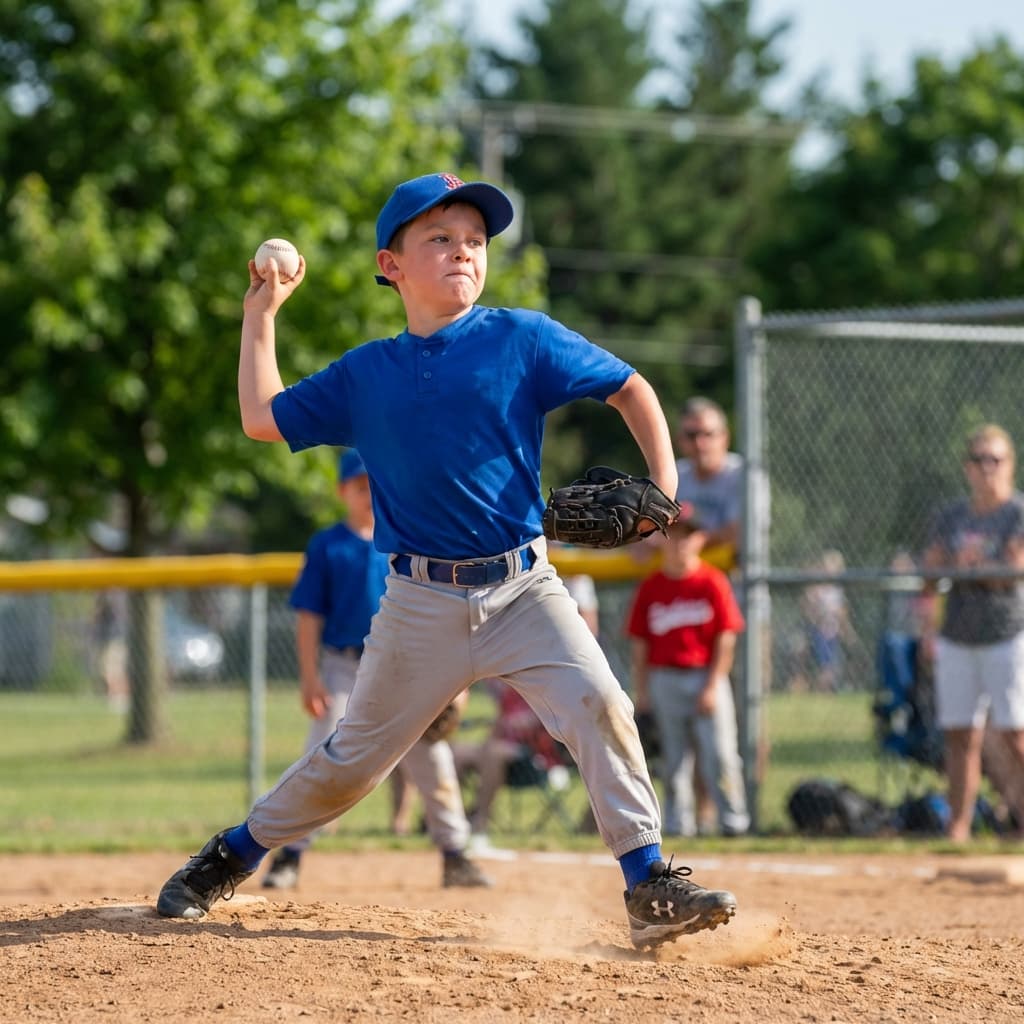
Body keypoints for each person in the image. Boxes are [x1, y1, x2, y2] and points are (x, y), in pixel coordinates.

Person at [156, 171, 736, 949]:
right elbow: (262, 417)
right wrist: (260, 314)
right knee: (351, 765)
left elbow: (631, 387)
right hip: (418, 603)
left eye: (474, 240)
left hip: (525, 587)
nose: (463, 251)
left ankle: (648, 881)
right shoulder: (367, 374)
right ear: (390, 265)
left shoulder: (521, 338)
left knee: (601, 704)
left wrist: (662, 489)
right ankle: (232, 853)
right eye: (439, 238)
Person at [260, 449, 491, 890]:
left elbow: (445, 615)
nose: (369, 494)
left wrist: (454, 685)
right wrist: (309, 677)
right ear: (341, 491)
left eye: (376, 484)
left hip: (407, 668)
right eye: (359, 486)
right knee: (323, 751)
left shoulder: (408, 539)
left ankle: (455, 853)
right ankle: (288, 853)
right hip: (343, 667)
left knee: (432, 754)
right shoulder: (329, 544)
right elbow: (309, 616)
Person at [921, 424, 1024, 841]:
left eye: (996, 460)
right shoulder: (951, 516)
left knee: (1015, 735)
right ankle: (958, 827)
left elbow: (1011, 573)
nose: (987, 469)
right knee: (960, 735)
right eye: (979, 460)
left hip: (1007, 634)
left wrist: (969, 566)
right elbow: (930, 574)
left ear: (1010, 465)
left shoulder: (1017, 513)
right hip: (958, 635)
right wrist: (971, 567)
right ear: (967, 467)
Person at [626, 505, 750, 838]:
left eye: (689, 535)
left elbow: (726, 641)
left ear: (700, 540)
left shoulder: (712, 582)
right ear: (663, 541)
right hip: (664, 678)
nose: (681, 542)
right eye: (674, 535)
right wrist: (643, 692)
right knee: (674, 759)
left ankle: (733, 823)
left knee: (720, 755)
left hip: (705, 677)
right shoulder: (651, 587)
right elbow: (640, 647)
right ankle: (679, 825)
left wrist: (712, 685)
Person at [454, 573, 598, 847]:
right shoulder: (509, 661)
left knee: (494, 752)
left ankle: (480, 821)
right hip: (505, 745)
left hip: (539, 755)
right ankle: (452, 823)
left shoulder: (558, 671)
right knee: (453, 753)